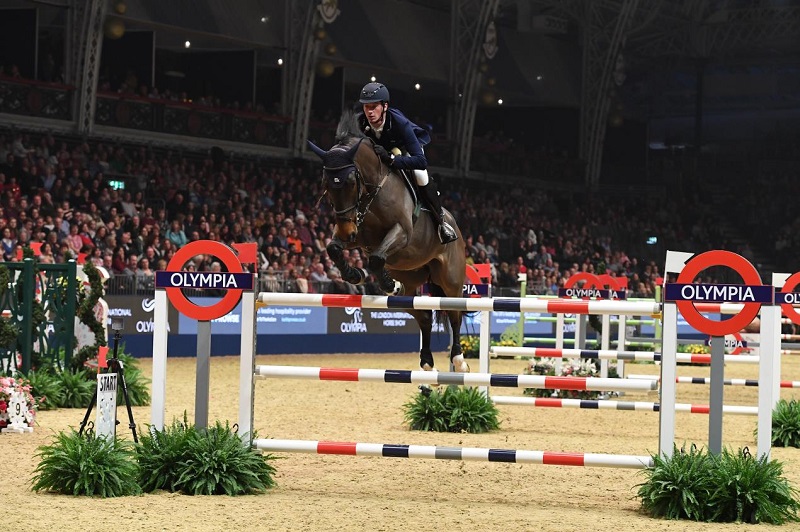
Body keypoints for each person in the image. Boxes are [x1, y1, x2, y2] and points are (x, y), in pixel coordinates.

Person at [356, 82, 457, 244]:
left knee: (420, 175)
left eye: (374, 107)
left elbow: (421, 161)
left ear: (385, 106)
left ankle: (441, 223)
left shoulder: (399, 123)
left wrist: (392, 160)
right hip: (382, 151)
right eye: (366, 107)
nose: (369, 112)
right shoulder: (361, 122)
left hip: (406, 149)